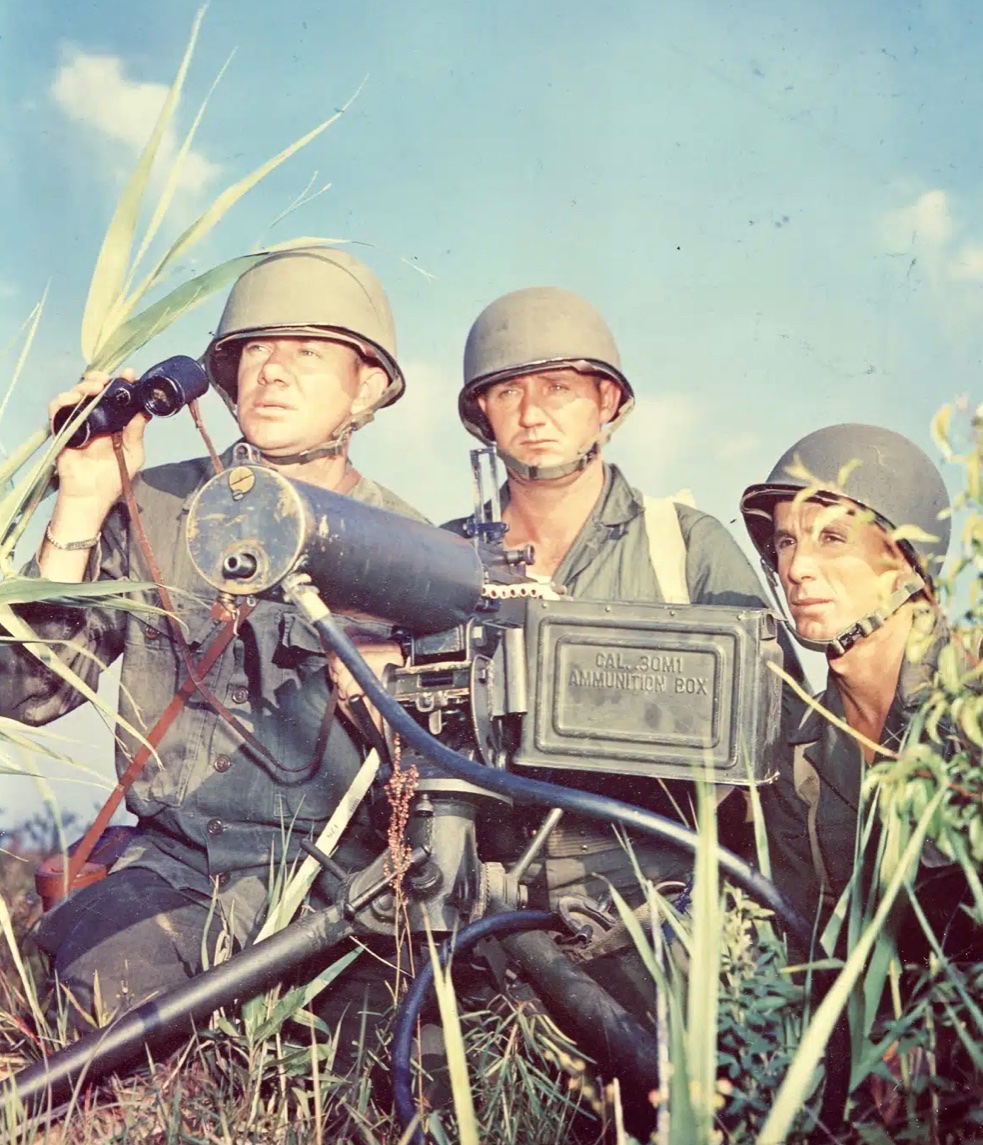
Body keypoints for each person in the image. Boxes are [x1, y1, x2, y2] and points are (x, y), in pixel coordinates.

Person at [0, 247, 425, 1023]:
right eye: (253, 350)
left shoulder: (408, 549)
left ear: (367, 383)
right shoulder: (156, 502)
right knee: (98, 992)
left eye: (306, 350)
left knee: (397, 1047)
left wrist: (377, 695)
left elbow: (433, 771)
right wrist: (84, 504)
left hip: (336, 884)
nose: (271, 372)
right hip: (175, 869)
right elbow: (30, 695)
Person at [448, 285, 798, 907]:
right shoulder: (441, 559)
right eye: (508, 392)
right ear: (484, 412)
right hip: (481, 896)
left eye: (558, 388)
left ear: (605, 399)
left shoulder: (682, 545)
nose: (532, 415)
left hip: (654, 891)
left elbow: (775, 726)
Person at [739, 423, 968, 951]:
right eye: (786, 542)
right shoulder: (800, 748)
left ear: (904, 560)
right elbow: (804, 939)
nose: (796, 568)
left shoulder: (967, 703)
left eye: (832, 538)